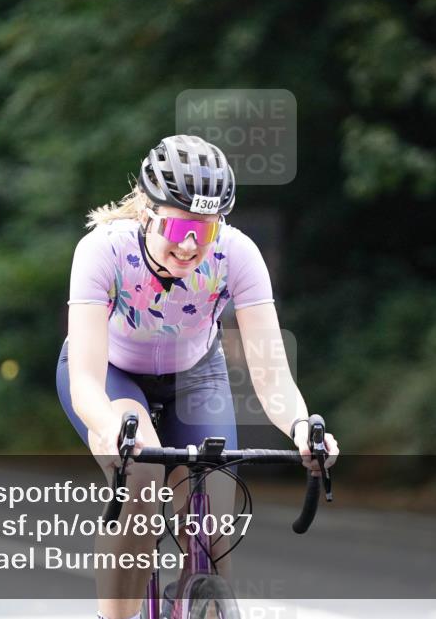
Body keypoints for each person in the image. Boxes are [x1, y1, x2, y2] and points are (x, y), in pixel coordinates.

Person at [56, 135, 340, 619]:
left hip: (195, 375)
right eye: (180, 226)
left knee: (212, 526)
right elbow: (85, 378)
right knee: (142, 481)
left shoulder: (237, 254)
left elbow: (272, 375)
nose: (190, 245)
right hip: (112, 374)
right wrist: (108, 428)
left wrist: (300, 427)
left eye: (205, 230)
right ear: (147, 211)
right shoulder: (102, 250)